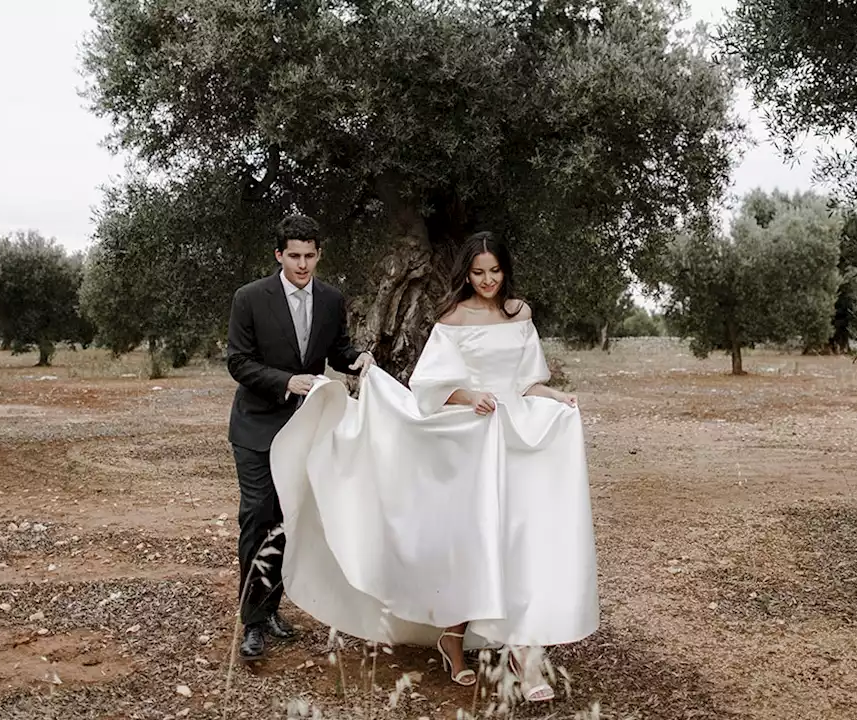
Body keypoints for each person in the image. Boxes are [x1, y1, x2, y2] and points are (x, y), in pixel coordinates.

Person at [270, 231, 598, 703]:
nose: (487, 281)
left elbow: (529, 382)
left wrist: (557, 399)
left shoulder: (519, 314)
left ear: (506, 270)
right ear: (467, 274)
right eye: (478, 272)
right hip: (468, 439)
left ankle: (524, 653)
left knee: (518, 540)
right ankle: (452, 636)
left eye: (495, 271)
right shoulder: (452, 318)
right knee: (469, 541)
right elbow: (428, 386)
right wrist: (469, 395)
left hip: (513, 441)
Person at [225, 214, 374, 661]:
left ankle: (270, 607)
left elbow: (338, 350)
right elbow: (239, 362)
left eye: (310, 255)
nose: (303, 264)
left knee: (289, 520)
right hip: (255, 428)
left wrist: (357, 360)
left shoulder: (331, 299)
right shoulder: (249, 298)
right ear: (279, 255)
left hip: (307, 429)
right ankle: (252, 622)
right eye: (295, 255)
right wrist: (288, 382)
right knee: (257, 515)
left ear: (319, 254)